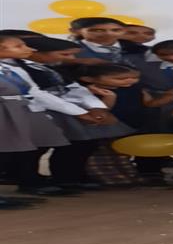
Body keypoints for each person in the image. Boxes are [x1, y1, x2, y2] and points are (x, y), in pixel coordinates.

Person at [19, 36, 132, 190]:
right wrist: (78, 112)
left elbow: (74, 89)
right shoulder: (22, 70)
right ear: (37, 53)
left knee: (80, 144)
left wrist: (96, 107)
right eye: (65, 54)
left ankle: (69, 177)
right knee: (37, 147)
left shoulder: (53, 68)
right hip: (43, 110)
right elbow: (39, 95)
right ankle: (30, 181)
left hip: (68, 110)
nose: (72, 59)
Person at [76, 64, 173, 186]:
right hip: (103, 130)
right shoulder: (86, 91)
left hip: (132, 125)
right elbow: (99, 113)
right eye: (120, 79)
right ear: (88, 79)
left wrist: (170, 95)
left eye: (135, 78)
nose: (130, 81)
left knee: (123, 155)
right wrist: (110, 97)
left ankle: (135, 175)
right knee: (104, 155)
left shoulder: (136, 88)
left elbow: (150, 103)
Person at [0, 35, 74, 197]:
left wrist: (78, 111)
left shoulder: (14, 68)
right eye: (19, 46)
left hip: (21, 109)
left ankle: (29, 182)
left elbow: (32, 91)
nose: (30, 49)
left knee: (27, 148)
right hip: (5, 112)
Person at [67, 17, 147, 64]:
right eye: (97, 30)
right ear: (75, 31)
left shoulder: (142, 49)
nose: (109, 34)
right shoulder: (68, 51)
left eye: (116, 30)